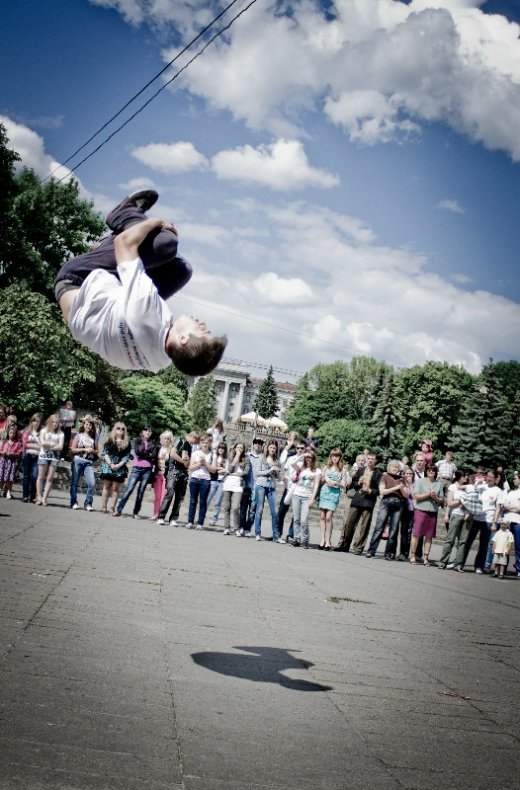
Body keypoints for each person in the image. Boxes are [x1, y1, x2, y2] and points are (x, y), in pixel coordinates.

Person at [55, 191, 227, 375]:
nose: (201, 323)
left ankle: (122, 214)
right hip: (85, 311)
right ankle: (108, 249)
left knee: (165, 244)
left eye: (203, 330)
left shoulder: (147, 310)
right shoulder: (159, 362)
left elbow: (125, 243)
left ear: (184, 338)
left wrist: (159, 223)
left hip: (77, 278)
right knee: (181, 271)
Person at [335, 452, 382, 554]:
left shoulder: (379, 473)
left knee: (364, 526)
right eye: (368, 458)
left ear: (376, 461)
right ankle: (345, 545)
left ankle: (358, 548)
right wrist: (359, 483)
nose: (370, 460)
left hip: (369, 502)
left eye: (372, 459)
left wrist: (371, 491)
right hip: (357, 500)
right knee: (349, 523)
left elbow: (379, 491)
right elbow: (353, 485)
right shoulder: (360, 470)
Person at [114, 426, 158, 519]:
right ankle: (119, 510)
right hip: (136, 469)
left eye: (149, 431)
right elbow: (137, 452)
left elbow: (154, 455)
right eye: (146, 430)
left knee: (141, 492)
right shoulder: (137, 440)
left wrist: (146, 455)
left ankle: (135, 512)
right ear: (143, 431)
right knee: (129, 489)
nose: (148, 432)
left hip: (147, 470)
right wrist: (148, 455)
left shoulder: (153, 443)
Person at [366, 460, 406, 560]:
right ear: (389, 467)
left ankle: (388, 553)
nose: (394, 469)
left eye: (396, 467)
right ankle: (371, 551)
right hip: (386, 502)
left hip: (398, 504)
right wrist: (396, 487)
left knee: (393, 530)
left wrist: (401, 488)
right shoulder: (384, 477)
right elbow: (382, 491)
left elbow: (406, 495)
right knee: (379, 527)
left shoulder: (401, 479)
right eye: (393, 467)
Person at [157, 432, 195, 526]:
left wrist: (186, 461)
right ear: (191, 437)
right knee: (170, 493)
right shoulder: (180, 440)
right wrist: (183, 460)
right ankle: (161, 517)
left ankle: (173, 519)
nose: (195, 442)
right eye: (195, 440)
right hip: (173, 471)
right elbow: (173, 454)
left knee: (179, 497)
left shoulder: (190, 447)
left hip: (183, 473)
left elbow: (187, 465)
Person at [410, 464, 444, 567]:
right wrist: (428, 495)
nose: (431, 471)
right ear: (426, 471)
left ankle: (426, 557)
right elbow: (416, 496)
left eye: (433, 470)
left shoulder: (439, 484)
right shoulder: (421, 481)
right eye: (429, 470)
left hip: (433, 512)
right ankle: (413, 555)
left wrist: (435, 498)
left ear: (435, 472)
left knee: (429, 536)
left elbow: (442, 500)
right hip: (421, 510)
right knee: (416, 534)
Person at [438, 470, 471, 572]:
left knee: (463, 542)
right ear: (459, 477)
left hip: (467, 517)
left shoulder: (468, 488)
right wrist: (461, 500)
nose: (466, 477)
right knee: (450, 540)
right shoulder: (452, 487)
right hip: (456, 515)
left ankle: (459, 565)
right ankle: (443, 562)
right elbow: (450, 503)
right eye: (464, 476)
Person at [317, 449, 348, 550]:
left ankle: (328, 541)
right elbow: (320, 479)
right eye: (333, 456)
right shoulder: (326, 467)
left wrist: (336, 483)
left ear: (340, 457)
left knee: (328, 517)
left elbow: (344, 485)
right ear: (330, 457)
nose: (335, 458)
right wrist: (325, 479)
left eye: (337, 456)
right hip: (324, 491)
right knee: (322, 516)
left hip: (334, 493)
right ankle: (322, 540)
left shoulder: (343, 469)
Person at [253, 441, 283, 542]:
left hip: (272, 487)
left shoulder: (278, 461)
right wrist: (270, 470)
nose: (272, 450)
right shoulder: (262, 457)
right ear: (267, 448)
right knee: (259, 510)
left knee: (275, 512)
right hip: (261, 485)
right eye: (270, 447)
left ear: (276, 449)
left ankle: (276, 536)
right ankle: (257, 533)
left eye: (274, 448)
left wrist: (278, 473)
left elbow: (279, 478)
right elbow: (257, 472)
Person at [99, 422, 131, 514]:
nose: (120, 430)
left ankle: (112, 508)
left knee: (115, 488)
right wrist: (110, 464)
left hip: (119, 468)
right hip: (108, 466)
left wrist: (118, 465)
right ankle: (104, 507)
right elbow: (105, 453)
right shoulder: (110, 440)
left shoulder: (127, 443)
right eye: (118, 428)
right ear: (115, 429)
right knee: (106, 486)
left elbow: (126, 457)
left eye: (122, 429)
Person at [292, 449, 321, 549]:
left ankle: (304, 540)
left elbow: (316, 485)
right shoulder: (301, 468)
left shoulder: (317, 471)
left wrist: (312, 498)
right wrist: (302, 455)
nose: (308, 459)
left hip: (307, 497)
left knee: (304, 520)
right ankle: (296, 538)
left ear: (313, 458)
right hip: (296, 494)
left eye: (310, 457)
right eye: (307, 457)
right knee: (296, 519)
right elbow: (292, 463)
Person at [69, 416, 99, 511]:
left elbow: (97, 451)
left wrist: (92, 451)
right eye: (86, 424)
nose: (88, 426)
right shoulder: (79, 435)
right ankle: (73, 502)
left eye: (90, 425)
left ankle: (88, 504)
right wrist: (84, 449)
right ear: (84, 425)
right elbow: (72, 449)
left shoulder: (93, 438)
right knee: (74, 482)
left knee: (92, 483)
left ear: (92, 427)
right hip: (78, 460)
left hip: (88, 463)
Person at [222, 442, 250, 535]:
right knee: (227, 507)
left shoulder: (246, 459)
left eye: (241, 448)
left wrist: (238, 473)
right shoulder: (230, 457)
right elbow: (229, 470)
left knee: (235, 507)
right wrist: (235, 458)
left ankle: (237, 528)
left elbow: (246, 472)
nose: (239, 449)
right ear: (235, 448)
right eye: (238, 447)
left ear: (244, 449)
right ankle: (227, 527)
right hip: (228, 483)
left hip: (238, 484)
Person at [187, 436, 215, 529]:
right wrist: (199, 463)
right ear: (200, 444)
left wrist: (205, 463)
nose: (205, 444)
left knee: (203, 502)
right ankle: (190, 521)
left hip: (206, 480)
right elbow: (190, 467)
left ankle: (200, 523)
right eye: (203, 442)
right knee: (192, 501)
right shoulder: (195, 453)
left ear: (210, 444)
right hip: (195, 479)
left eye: (207, 443)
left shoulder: (212, 455)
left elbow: (214, 470)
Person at [36, 414, 64, 506]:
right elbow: (42, 443)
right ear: (49, 422)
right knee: (40, 477)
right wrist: (53, 445)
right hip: (43, 456)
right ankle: (39, 497)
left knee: (49, 478)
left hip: (54, 457)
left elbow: (60, 447)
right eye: (53, 422)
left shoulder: (61, 433)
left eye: (57, 422)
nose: (55, 424)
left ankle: (44, 498)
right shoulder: (44, 431)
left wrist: (49, 445)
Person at [239, 438, 264, 536]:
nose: (258, 445)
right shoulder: (247, 455)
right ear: (253, 445)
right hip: (246, 485)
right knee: (243, 508)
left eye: (260, 444)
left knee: (252, 510)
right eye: (256, 443)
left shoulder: (263, 458)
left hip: (257, 487)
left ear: (261, 446)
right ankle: (241, 527)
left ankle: (247, 529)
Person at [496, 471, 520, 577]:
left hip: (518, 522)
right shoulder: (511, 493)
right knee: (504, 546)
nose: (514, 480)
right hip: (508, 522)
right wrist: (514, 508)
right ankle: (503, 568)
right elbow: (505, 504)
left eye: (515, 478)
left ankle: (518, 569)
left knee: (518, 547)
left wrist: (513, 508)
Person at [152, 431, 174, 521]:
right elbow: (153, 460)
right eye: (165, 438)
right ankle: (155, 514)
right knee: (157, 496)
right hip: (158, 475)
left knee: (163, 497)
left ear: (170, 440)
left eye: (168, 438)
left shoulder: (172, 450)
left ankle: (161, 515)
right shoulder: (158, 448)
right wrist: (158, 460)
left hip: (167, 476)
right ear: (162, 439)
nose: (166, 440)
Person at [21, 414, 42, 502]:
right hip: (27, 455)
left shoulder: (41, 433)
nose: (36, 423)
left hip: (36, 457)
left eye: (38, 421)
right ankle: (25, 495)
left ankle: (32, 496)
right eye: (34, 421)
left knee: (34, 476)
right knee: (26, 476)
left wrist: (32, 445)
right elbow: (25, 444)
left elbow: (41, 446)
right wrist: (35, 445)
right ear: (31, 421)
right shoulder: (27, 431)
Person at [207, 442, 229, 527]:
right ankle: (201, 517)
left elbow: (227, 470)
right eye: (220, 447)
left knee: (217, 502)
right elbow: (212, 468)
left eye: (223, 448)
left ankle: (214, 520)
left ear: (225, 450)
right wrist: (220, 469)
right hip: (213, 480)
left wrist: (218, 469)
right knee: (207, 500)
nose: (221, 449)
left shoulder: (227, 459)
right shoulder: (214, 456)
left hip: (222, 482)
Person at [0, 423, 22, 498]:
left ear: (15, 434)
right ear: (8, 433)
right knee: (1, 477)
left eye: (13, 433)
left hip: (11, 463)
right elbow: (0, 451)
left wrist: (12, 454)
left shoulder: (17, 444)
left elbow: (19, 454)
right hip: (3, 462)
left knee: (9, 478)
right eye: (10, 433)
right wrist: (3, 452)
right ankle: (1, 489)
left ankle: (9, 492)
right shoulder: (4, 442)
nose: (12, 434)